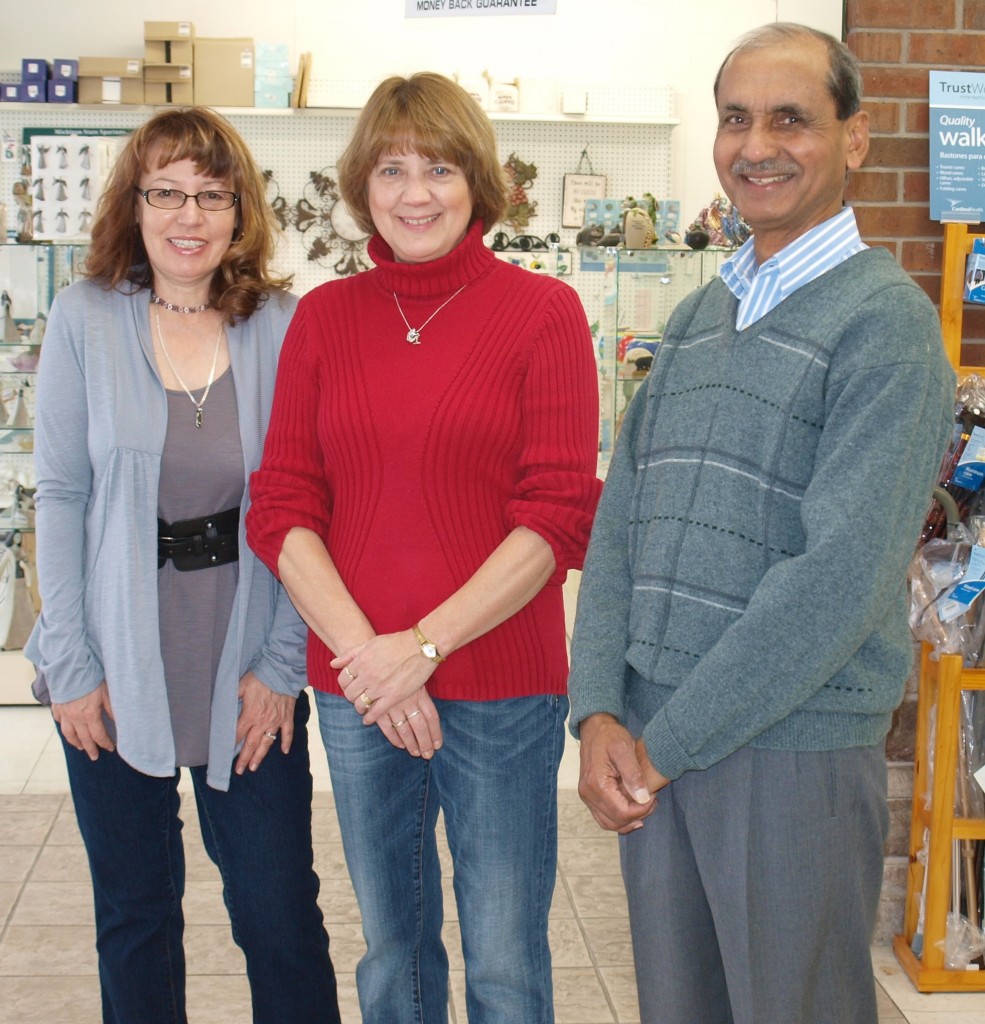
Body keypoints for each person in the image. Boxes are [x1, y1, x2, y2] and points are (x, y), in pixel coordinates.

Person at [568, 23, 956, 1024]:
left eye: (791, 118)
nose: (756, 145)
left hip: (789, 750)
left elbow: (837, 582)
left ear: (855, 139)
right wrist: (600, 709)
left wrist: (666, 740)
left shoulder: (887, 325)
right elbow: (624, 518)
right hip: (656, 735)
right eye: (735, 118)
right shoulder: (701, 317)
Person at [246, 72, 601, 1023]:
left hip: (503, 687)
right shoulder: (324, 318)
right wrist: (373, 661)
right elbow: (282, 503)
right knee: (391, 950)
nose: (414, 192)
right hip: (358, 686)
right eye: (391, 168)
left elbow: (557, 512)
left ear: (476, 182)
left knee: (502, 954)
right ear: (363, 185)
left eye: (438, 167)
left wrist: (423, 650)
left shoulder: (544, 313)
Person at [24, 107, 341, 1024]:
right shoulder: (85, 315)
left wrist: (281, 668)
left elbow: (304, 504)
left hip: (245, 648)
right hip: (117, 648)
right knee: (135, 915)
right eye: (166, 192)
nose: (188, 216)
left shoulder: (282, 325)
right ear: (136, 204)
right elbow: (64, 494)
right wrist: (74, 665)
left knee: (279, 914)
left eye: (211, 194)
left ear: (240, 213)